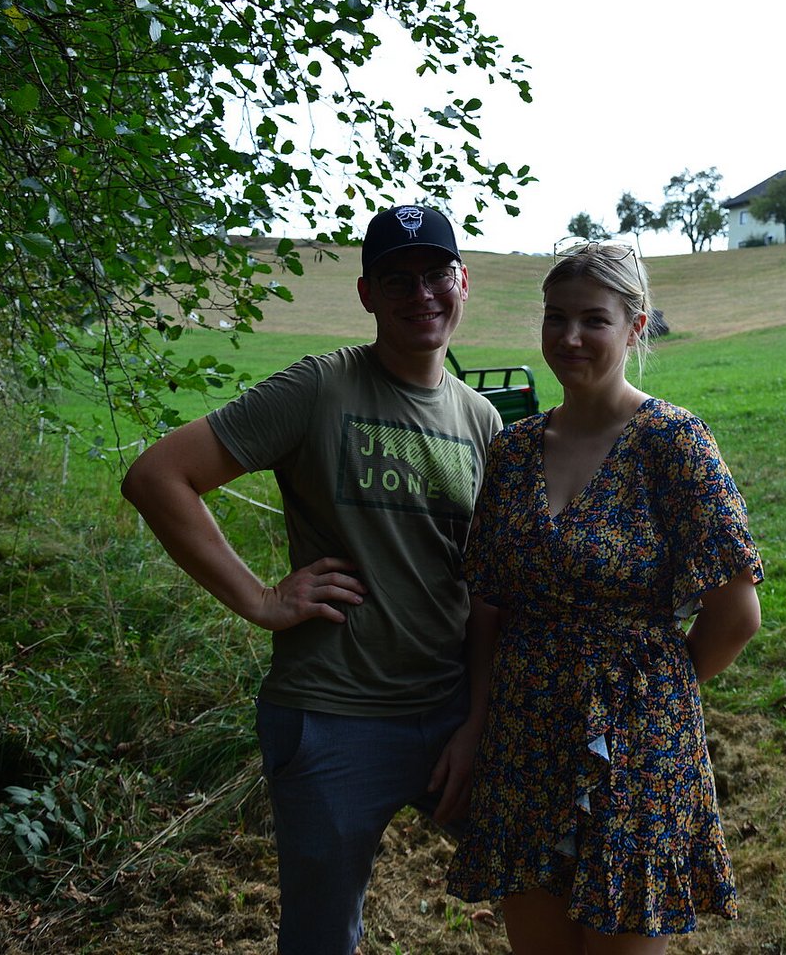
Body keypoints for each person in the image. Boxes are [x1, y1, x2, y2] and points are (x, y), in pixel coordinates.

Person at [120, 204, 501, 955]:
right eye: (397, 280)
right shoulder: (321, 387)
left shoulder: (482, 421)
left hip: (450, 715)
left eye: (436, 274)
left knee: (547, 878)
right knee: (322, 939)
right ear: (366, 294)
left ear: (463, 282)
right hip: (333, 719)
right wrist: (261, 599)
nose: (421, 294)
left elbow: (490, 591)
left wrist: (478, 720)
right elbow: (158, 477)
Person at [447, 240, 763, 953]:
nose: (569, 337)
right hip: (524, 738)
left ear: (635, 326)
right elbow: (489, 604)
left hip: (639, 745)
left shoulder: (674, 443)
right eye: (555, 317)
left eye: (593, 319)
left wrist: (649, 691)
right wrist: (475, 724)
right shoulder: (513, 450)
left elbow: (736, 616)